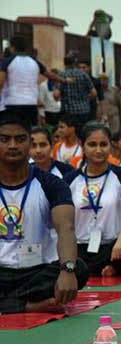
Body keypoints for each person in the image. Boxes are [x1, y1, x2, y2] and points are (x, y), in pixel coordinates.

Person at [0, 112, 88, 313]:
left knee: (78, 268)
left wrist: (67, 269)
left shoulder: (52, 184)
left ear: (29, 143)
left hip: (38, 272)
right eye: (4, 140)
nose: (13, 145)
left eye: (20, 139)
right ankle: (28, 306)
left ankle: (9, 304)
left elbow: (66, 229)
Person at [64, 123, 121, 277]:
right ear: (82, 146)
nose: (98, 150)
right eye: (92, 145)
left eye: (103, 144)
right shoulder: (70, 180)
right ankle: (99, 269)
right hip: (80, 247)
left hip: (114, 246)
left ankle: (109, 267)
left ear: (110, 146)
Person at [0, 37, 66, 127]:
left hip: (13, 103)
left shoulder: (7, 61)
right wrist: (64, 80)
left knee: (13, 129)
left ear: (12, 47)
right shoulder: (34, 62)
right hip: (31, 103)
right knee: (30, 130)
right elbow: (51, 75)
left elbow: (1, 82)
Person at [58, 57, 96, 136]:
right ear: (74, 63)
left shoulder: (61, 75)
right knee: (82, 133)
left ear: (64, 64)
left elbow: (56, 95)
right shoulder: (83, 74)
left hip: (68, 111)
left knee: (70, 134)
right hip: (84, 111)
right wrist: (85, 98)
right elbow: (94, 93)